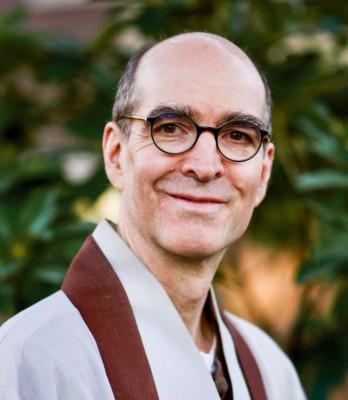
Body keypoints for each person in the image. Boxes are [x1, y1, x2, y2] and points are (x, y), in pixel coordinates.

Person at [0, 32, 306, 400]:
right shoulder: (29, 361)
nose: (205, 166)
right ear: (116, 154)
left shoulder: (271, 372)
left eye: (238, 135)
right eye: (170, 128)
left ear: (263, 173)